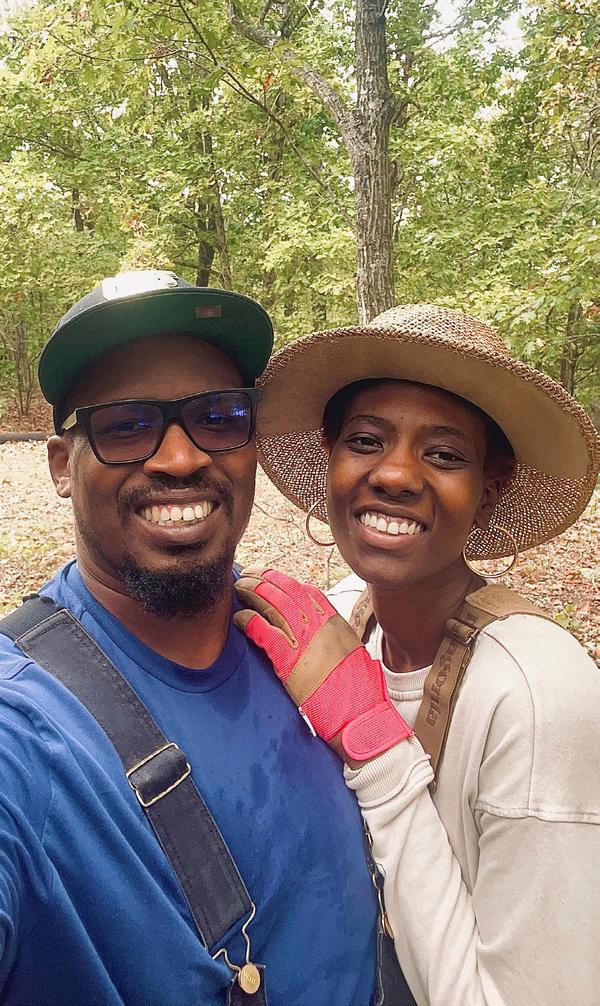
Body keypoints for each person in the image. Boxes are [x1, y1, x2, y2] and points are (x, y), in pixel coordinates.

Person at [0, 269, 393, 1005]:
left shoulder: (305, 645)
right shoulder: (23, 729)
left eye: (217, 417)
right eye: (125, 425)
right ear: (62, 464)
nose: (181, 459)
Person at [234, 303, 600, 1006]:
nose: (396, 475)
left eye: (444, 454)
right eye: (366, 441)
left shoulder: (535, 697)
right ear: (331, 456)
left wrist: (375, 748)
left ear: (490, 487)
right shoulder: (347, 618)